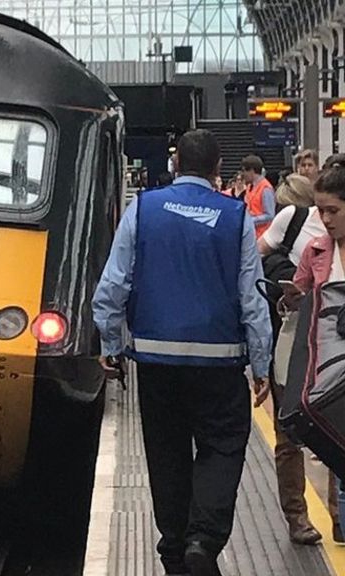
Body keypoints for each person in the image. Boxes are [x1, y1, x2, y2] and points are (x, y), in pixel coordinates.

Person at [93, 129, 272, 576]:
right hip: (220, 362)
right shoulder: (235, 218)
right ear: (217, 171)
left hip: (156, 362)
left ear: (174, 166)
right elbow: (251, 297)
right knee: (223, 446)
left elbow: (113, 284)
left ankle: (174, 548)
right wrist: (262, 364)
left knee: (166, 452)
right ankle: (202, 540)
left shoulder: (143, 209)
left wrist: (111, 345)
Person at [257, 174, 334, 545]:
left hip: (338, 355)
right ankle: (298, 517)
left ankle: (339, 516)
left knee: (337, 435)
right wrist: (292, 297)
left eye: (333, 210)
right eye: (321, 209)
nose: (325, 218)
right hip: (304, 350)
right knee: (290, 434)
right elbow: (291, 293)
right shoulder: (313, 249)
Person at [242, 155, 276, 237]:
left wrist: (250, 220)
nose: (243, 174)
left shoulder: (265, 188)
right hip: (252, 234)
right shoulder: (249, 187)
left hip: (263, 235)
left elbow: (270, 215)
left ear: (252, 171)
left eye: (244, 171)